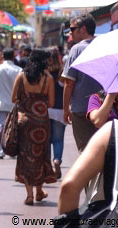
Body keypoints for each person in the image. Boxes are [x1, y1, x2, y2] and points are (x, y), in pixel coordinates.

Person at [58, 48, 118, 214]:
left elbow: (69, 186)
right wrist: (111, 96)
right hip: (105, 165)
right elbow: (97, 120)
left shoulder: (113, 130)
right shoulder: (96, 99)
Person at [11, 48, 57, 205]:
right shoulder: (48, 79)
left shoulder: (21, 76)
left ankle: (29, 194)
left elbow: (13, 98)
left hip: (25, 121)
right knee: (40, 154)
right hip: (42, 122)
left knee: (26, 156)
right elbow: (51, 103)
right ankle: (39, 191)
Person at [62, 13, 102, 152]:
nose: (70, 32)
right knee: (102, 149)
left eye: (72, 29)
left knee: (86, 150)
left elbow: (69, 82)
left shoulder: (77, 49)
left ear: (83, 29)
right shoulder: (103, 46)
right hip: (103, 108)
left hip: (81, 109)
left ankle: (91, 174)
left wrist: (66, 108)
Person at [0, 47, 22, 159]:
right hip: (14, 103)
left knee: (0, 126)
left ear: (3, 56)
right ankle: (12, 150)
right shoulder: (19, 70)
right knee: (14, 127)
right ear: (13, 56)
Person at [47, 46, 67, 179]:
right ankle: (57, 160)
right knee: (59, 139)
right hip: (59, 110)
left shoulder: (43, 73)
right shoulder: (62, 72)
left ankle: (48, 165)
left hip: (46, 110)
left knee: (47, 139)